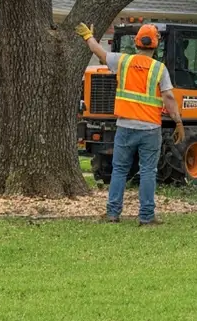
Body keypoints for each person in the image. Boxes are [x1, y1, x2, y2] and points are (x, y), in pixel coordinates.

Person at [76, 22, 185, 226]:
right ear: (155, 45)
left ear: (136, 43)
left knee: (119, 170)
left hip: (125, 127)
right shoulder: (159, 69)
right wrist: (178, 122)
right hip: (150, 129)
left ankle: (112, 213)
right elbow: (169, 97)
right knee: (147, 172)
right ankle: (146, 216)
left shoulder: (123, 61)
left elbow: (99, 52)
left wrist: (88, 36)